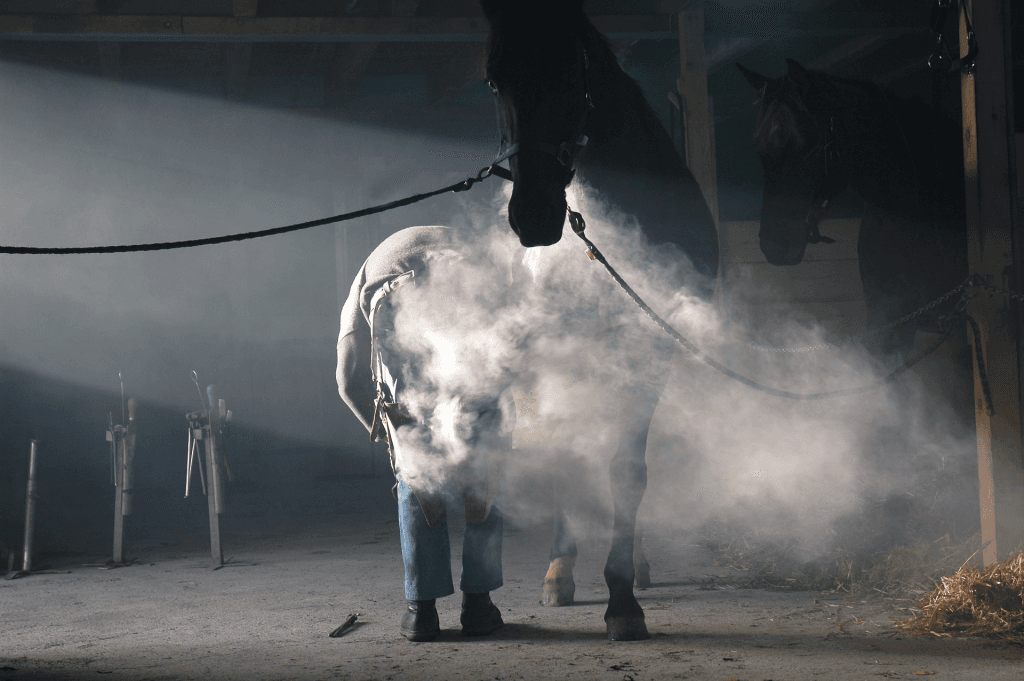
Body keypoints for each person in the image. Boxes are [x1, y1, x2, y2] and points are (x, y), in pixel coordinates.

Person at [336, 225, 514, 642]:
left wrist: (391, 440)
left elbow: (346, 381)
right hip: (472, 291)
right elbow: (514, 350)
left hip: (395, 300)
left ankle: (423, 613)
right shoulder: (471, 253)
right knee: (483, 460)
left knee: (417, 470)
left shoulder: (364, 275)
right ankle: (479, 606)